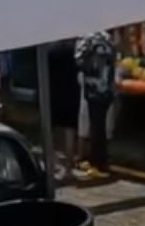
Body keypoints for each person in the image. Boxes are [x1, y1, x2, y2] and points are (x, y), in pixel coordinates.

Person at [74, 29, 117, 182]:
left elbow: (78, 60)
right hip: (107, 90)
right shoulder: (108, 39)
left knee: (96, 128)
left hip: (93, 90)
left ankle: (99, 165)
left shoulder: (88, 38)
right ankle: (99, 161)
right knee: (100, 128)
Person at [47, 39, 81, 181]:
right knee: (69, 130)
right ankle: (68, 168)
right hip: (72, 93)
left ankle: (53, 165)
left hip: (53, 93)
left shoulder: (50, 50)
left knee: (52, 130)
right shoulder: (74, 50)